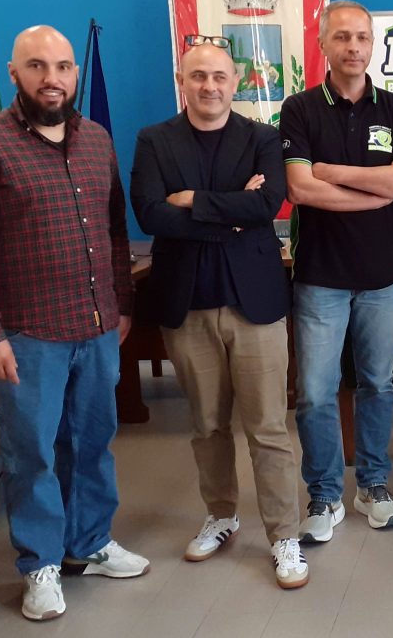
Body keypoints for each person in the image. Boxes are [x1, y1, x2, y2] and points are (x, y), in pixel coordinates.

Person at [0, 25, 148, 621]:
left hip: (95, 326)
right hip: (25, 335)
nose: (52, 78)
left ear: (75, 74)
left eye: (63, 66)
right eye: (37, 66)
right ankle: (39, 564)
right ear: (14, 73)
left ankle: (87, 543)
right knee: (32, 454)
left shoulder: (96, 140)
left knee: (92, 444)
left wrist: (121, 304)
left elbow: (114, 230)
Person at [130, 37, 307, 588]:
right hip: (186, 306)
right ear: (181, 82)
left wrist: (192, 200)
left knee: (268, 427)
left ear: (236, 82)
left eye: (219, 76)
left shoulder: (262, 137)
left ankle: (284, 535)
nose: (209, 86)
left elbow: (267, 204)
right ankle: (222, 515)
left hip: (255, 305)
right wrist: (230, 210)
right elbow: (150, 214)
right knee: (207, 426)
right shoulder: (154, 140)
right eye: (198, 76)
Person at [281, 0, 393, 538]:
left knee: (378, 384)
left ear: (372, 44)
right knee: (316, 392)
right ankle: (324, 496)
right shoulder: (300, 109)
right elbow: (300, 189)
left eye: (362, 37)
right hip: (320, 275)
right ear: (323, 43)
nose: (354, 47)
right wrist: (378, 189)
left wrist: (332, 173)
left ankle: (372, 485)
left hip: (384, 274)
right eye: (342, 37)